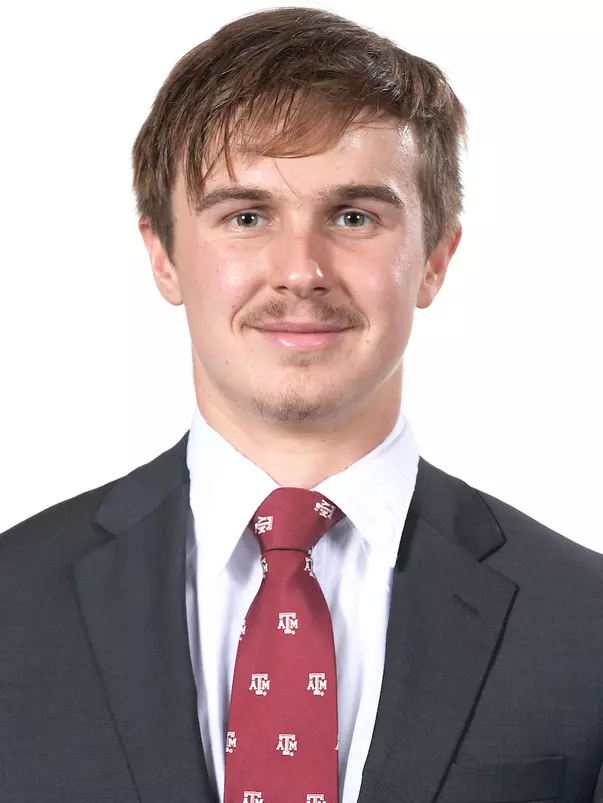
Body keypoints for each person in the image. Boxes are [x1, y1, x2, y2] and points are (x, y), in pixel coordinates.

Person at [1, 5, 602, 803]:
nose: (300, 270)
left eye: (354, 216)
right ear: (163, 256)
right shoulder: (12, 603)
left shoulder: (583, 625)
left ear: (434, 259)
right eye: (246, 216)